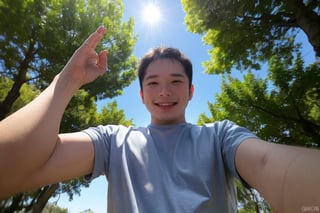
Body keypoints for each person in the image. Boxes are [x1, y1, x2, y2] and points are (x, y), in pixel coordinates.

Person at [0, 26, 319, 212]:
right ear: (141, 94)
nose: (164, 91)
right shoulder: (113, 142)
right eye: (153, 82)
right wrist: (66, 81)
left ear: (191, 90)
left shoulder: (220, 137)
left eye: (176, 81)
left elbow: (267, 163)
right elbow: (9, 168)